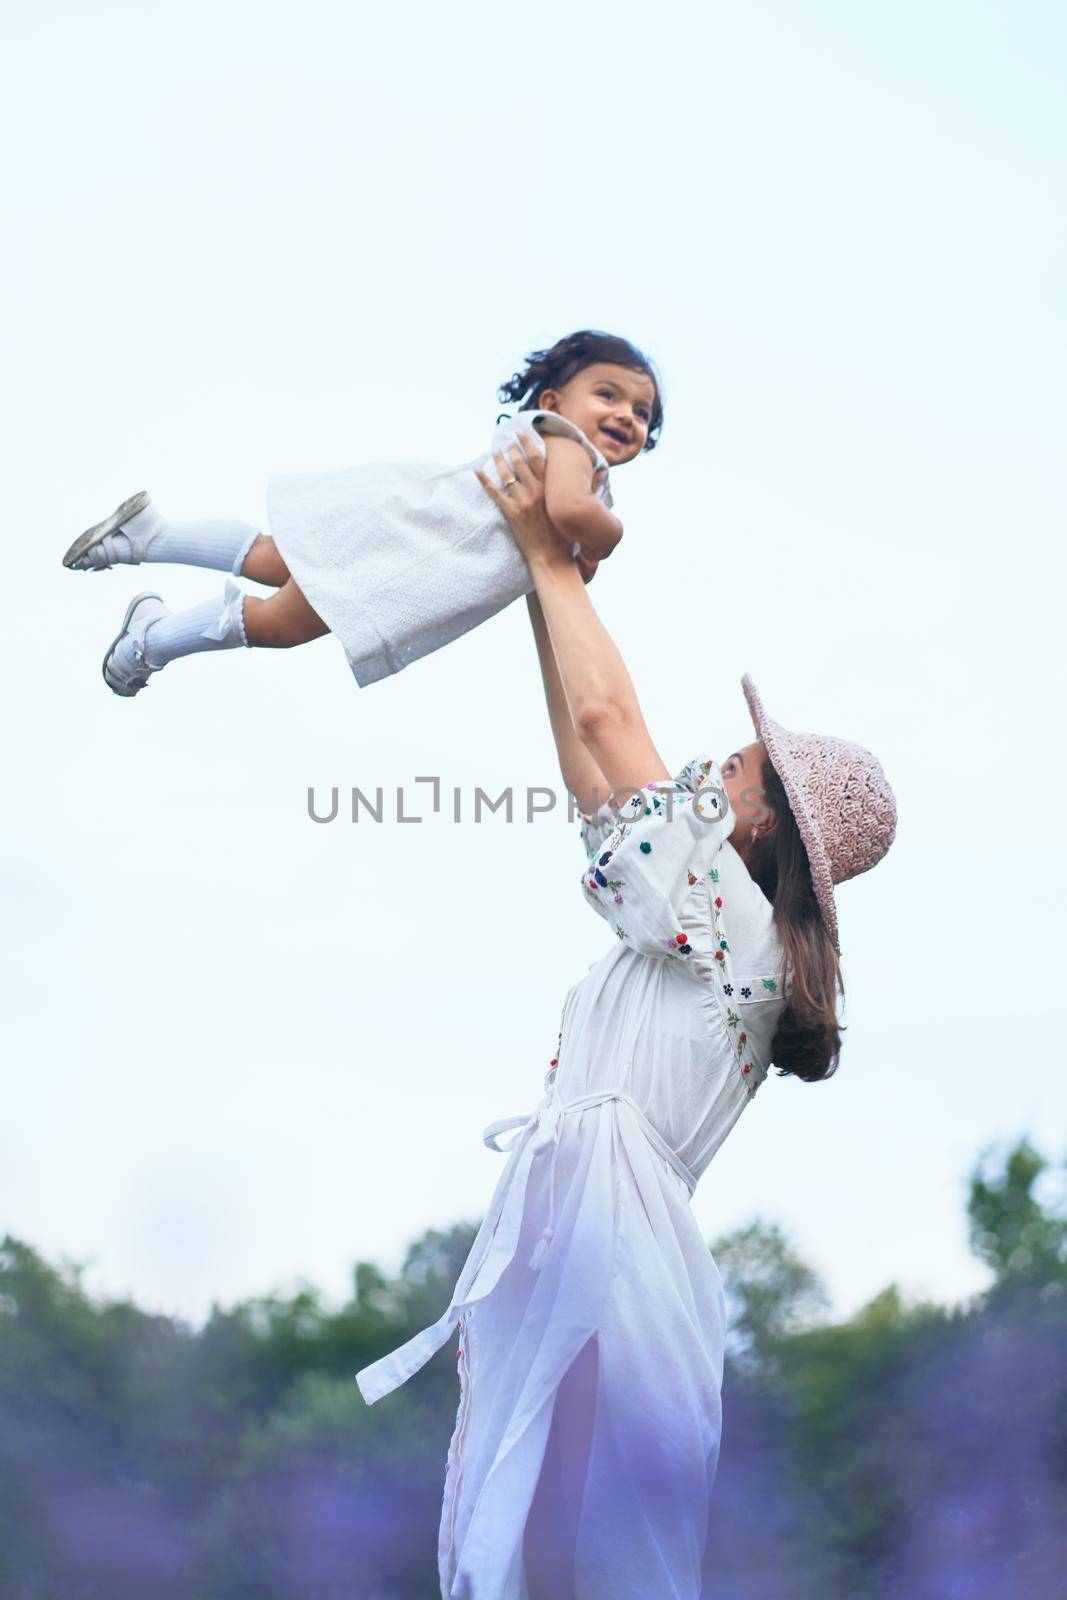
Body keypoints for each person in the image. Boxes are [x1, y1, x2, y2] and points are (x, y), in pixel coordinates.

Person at [354, 442, 898, 1598]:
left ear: (761, 834)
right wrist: (543, 592)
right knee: (540, 1518)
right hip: (603, 1211)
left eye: (739, 769)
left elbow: (611, 714)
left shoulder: (731, 919)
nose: (712, 765)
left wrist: (552, 558)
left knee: (565, 1528)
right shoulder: (709, 909)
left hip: (616, 1224)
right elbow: (589, 767)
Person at [59, 330, 662, 696]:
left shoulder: (557, 451)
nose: (626, 416)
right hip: (413, 555)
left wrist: (580, 551)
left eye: (641, 411)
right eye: (608, 395)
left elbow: (563, 561)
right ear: (556, 401)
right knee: (281, 624)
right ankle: (152, 641)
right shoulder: (569, 449)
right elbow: (568, 511)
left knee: (275, 558)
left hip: (405, 527)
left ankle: (150, 536)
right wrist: (611, 533)